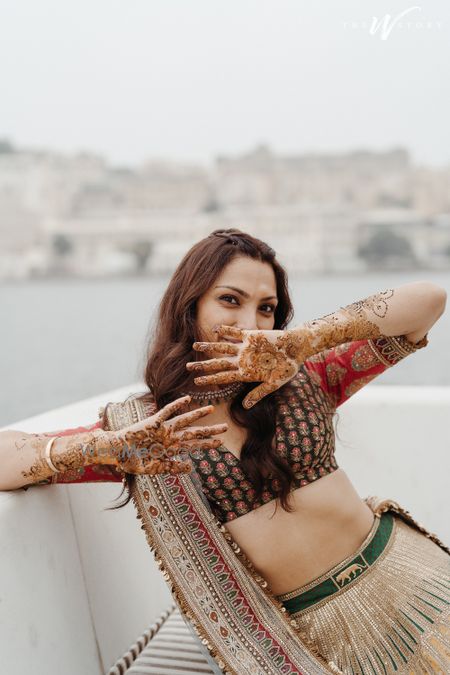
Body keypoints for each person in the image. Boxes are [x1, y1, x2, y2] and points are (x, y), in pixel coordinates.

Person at [1, 228, 449, 674]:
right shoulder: (148, 432)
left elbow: (428, 302)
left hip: (408, 575)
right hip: (305, 640)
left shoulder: (310, 377)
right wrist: (105, 448)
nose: (250, 325)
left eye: (267, 309)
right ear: (190, 305)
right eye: (230, 300)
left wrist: (304, 341)